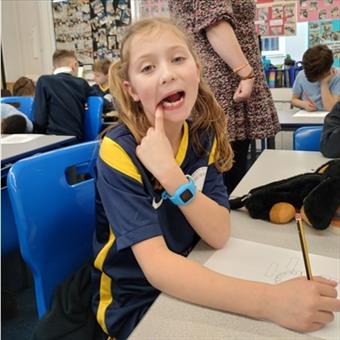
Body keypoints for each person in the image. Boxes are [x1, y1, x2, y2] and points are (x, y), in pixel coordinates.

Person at [92, 17, 340, 340]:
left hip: (194, 270)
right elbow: (156, 268)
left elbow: (218, 232)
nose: (167, 73)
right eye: (148, 68)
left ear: (197, 69)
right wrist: (270, 300)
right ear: (132, 90)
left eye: (177, 59)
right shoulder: (118, 151)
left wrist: (171, 176)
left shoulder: (202, 133)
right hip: (134, 303)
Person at [168, 0, 280, 193]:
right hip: (225, 84)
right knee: (224, 177)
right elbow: (214, 20)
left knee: (221, 174)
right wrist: (245, 72)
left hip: (217, 84)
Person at [32, 49, 95, 140]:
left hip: (53, 140)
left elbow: (39, 117)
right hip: (76, 139)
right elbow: (100, 101)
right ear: (74, 65)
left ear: (54, 67)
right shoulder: (81, 83)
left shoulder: (44, 81)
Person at [292, 44, 340, 112]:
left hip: (329, 120)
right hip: (307, 119)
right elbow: (294, 100)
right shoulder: (301, 75)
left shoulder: (337, 76)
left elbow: (331, 109)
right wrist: (303, 104)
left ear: (327, 70)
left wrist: (324, 83)